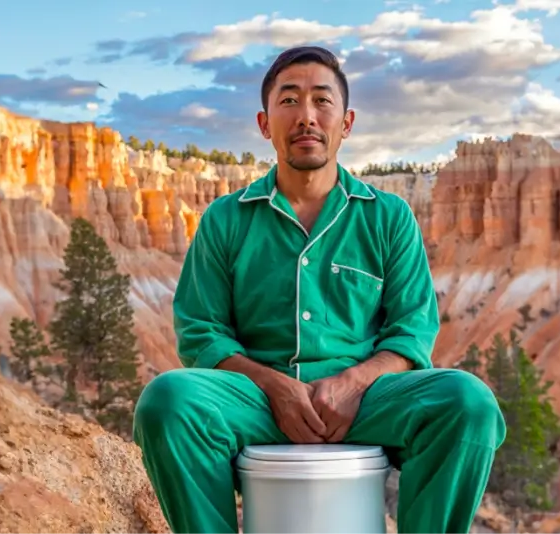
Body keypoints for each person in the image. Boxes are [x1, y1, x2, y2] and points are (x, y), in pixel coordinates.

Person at [133, 45, 506, 534]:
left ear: (345, 122)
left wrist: (354, 384)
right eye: (289, 101)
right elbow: (202, 332)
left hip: (368, 401)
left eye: (321, 101)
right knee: (168, 401)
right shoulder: (225, 219)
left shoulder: (387, 216)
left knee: (468, 402)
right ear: (265, 124)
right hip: (257, 400)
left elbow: (412, 330)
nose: (306, 116)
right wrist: (275, 387)